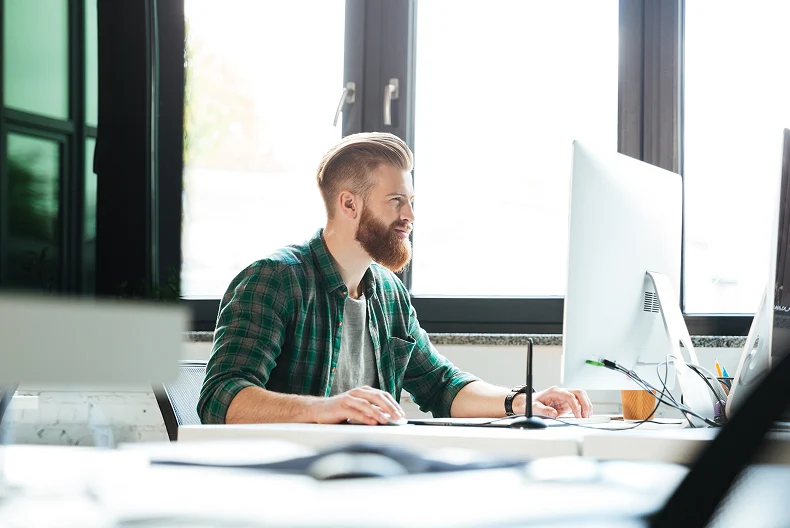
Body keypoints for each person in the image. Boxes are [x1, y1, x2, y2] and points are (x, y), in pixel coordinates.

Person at [198, 132, 593, 425]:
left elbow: (440, 384)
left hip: (369, 479)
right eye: (395, 201)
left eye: (410, 201)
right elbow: (219, 398)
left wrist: (520, 401)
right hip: (289, 486)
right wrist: (324, 409)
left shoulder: (387, 292)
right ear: (349, 203)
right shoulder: (274, 280)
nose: (410, 216)